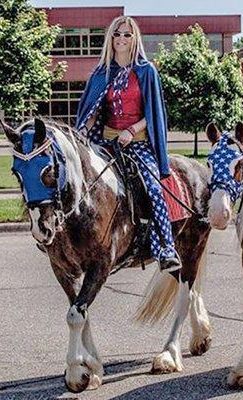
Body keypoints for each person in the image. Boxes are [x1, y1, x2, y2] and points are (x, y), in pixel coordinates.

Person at [76, 16, 181, 272]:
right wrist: (82, 130)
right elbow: (93, 112)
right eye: (117, 34)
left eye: (127, 34)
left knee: (154, 188)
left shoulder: (146, 71)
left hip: (138, 142)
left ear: (135, 39)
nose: (121, 39)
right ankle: (62, 234)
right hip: (106, 140)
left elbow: (154, 112)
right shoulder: (101, 73)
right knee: (77, 179)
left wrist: (132, 130)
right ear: (110, 38)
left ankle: (166, 247)